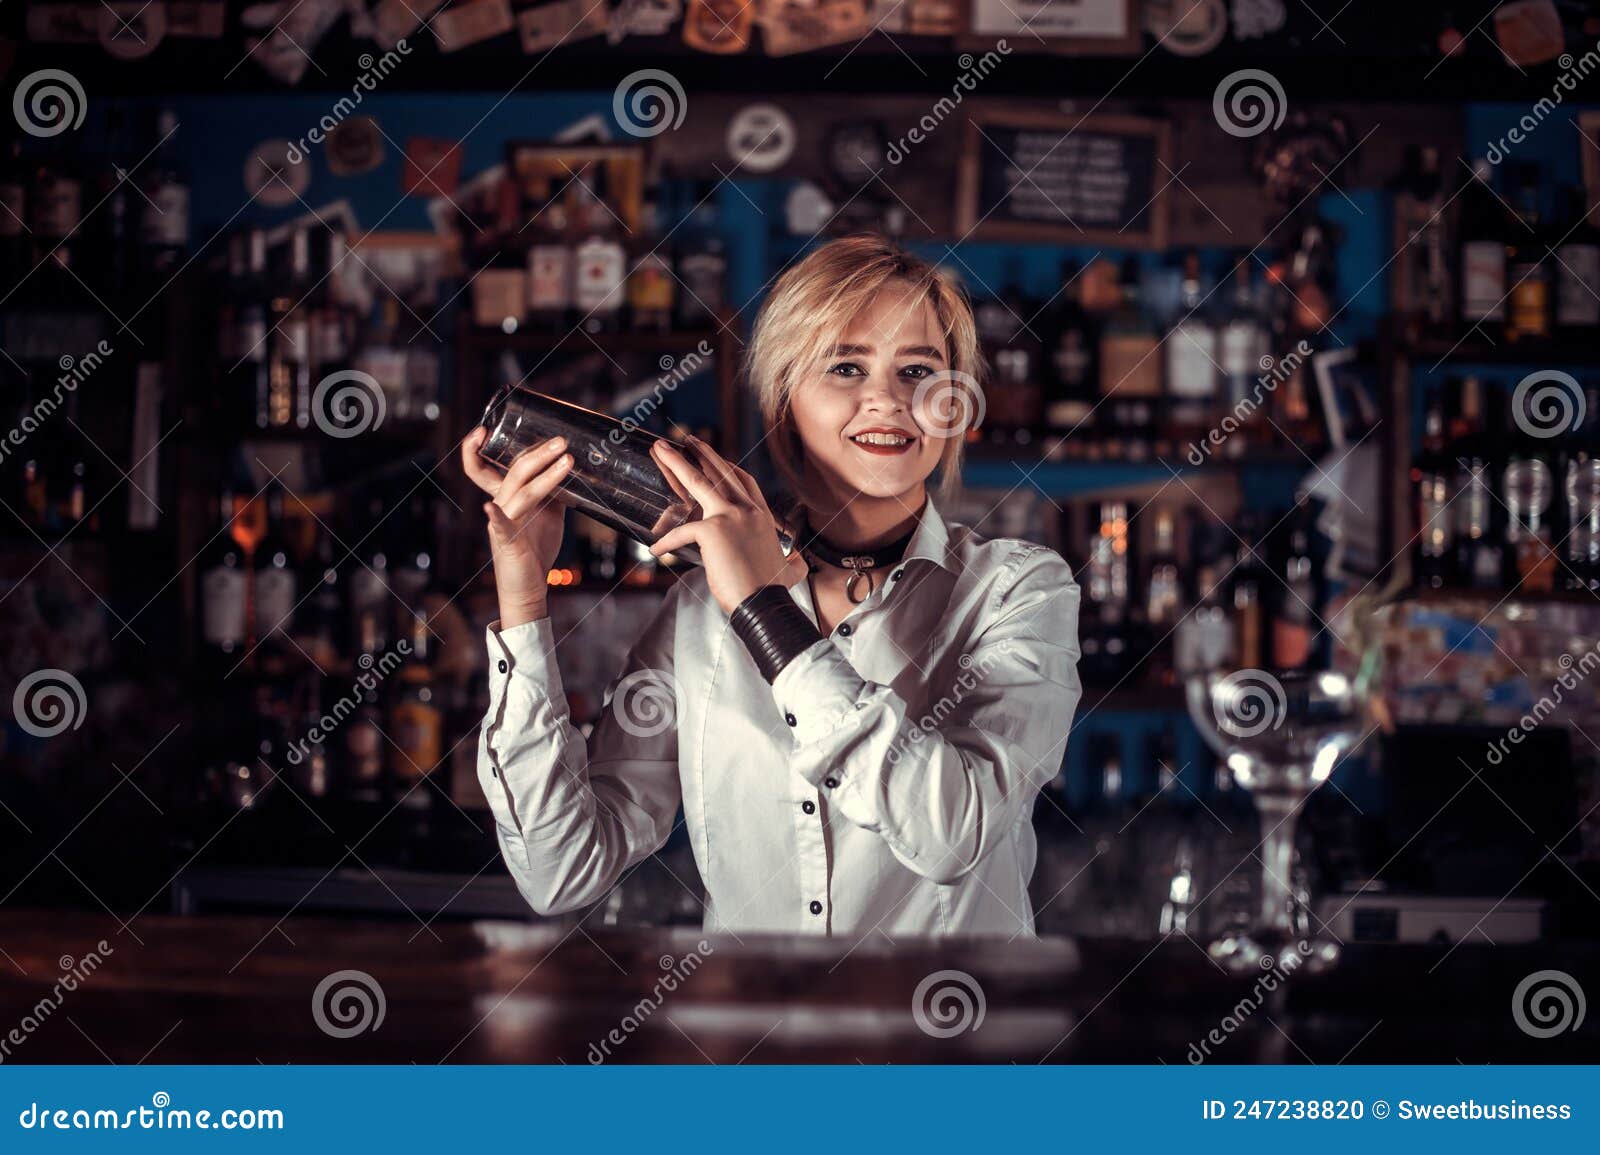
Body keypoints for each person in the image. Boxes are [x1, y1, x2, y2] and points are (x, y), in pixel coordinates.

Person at [460, 233, 1082, 937]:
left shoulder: (1018, 591)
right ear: (784, 398)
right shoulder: (697, 612)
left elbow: (951, 835)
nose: (887, 399)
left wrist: (762, 612)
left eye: (918, 370)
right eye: (846, 366)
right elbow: (562, 872)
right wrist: (523, 601)